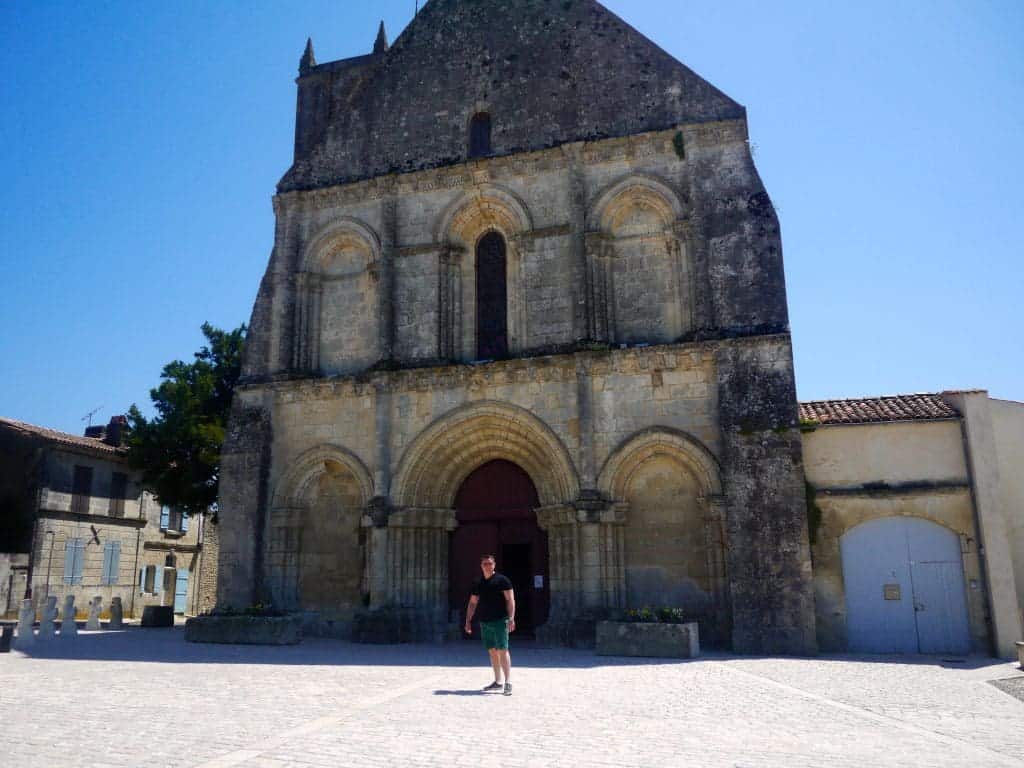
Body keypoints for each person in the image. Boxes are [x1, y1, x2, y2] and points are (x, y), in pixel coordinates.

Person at [465, 553, 515, 696]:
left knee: (503, 649)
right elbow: (473, 602)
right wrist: (468, 620)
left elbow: (510, 600)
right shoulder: (478, 582)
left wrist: (511, 618)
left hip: (500, 620)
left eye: (490, 563)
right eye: (484, 564)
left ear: (494, 565)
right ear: (481, 566)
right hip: (485, 621)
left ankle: (508, 682)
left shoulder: (502, 581)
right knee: (492, 650)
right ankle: (497, 681)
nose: (487, 566)